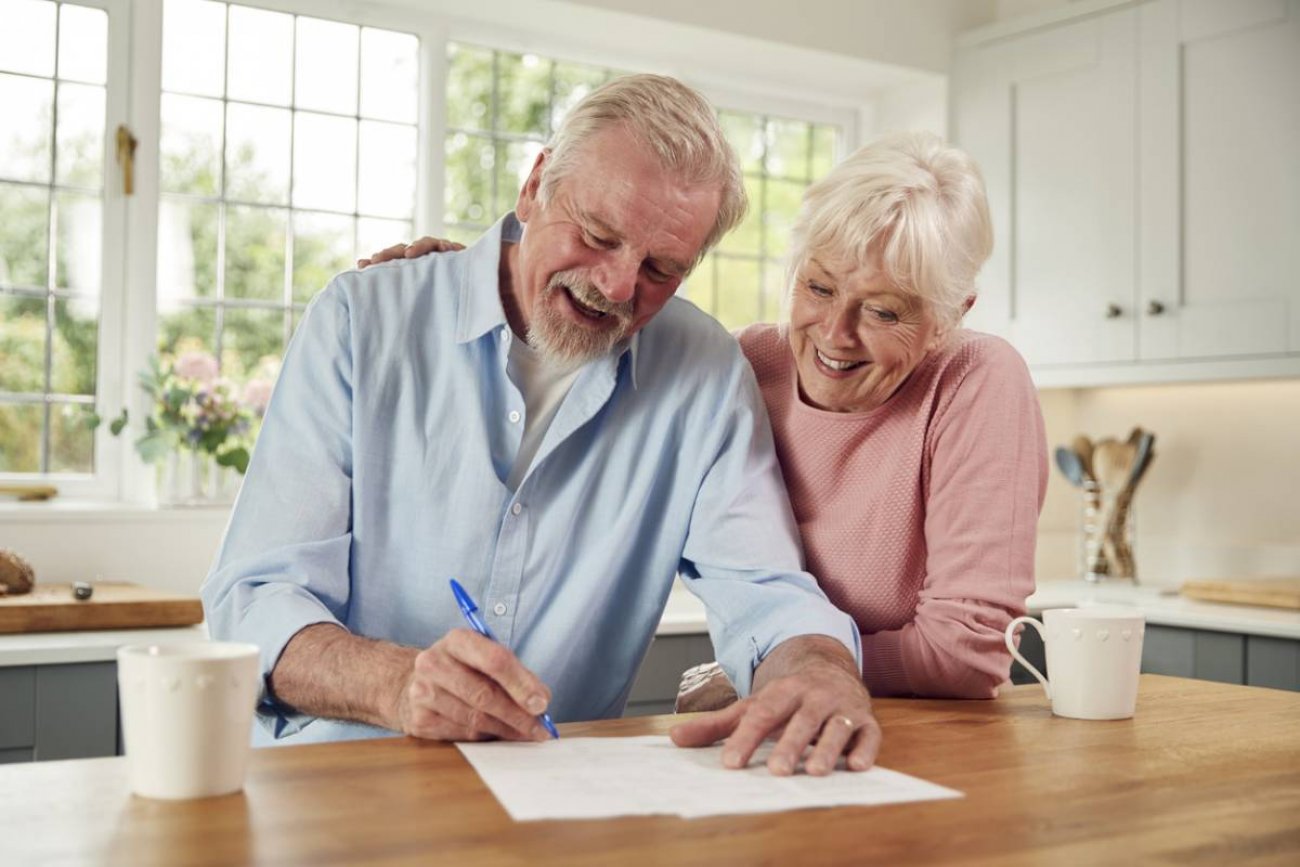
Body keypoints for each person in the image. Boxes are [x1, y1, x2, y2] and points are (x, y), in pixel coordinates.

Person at [202, 74, 880, 779]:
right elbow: (252, 599)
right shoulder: (363, 319)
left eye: (660, 268)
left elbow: (766, 590)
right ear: (534, 186)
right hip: (332, 789)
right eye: (597, 235)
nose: (618, 286)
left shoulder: (705, 372)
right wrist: (394, 682)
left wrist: (821, 669)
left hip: (556, 807)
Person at [370, 132, 1048, 710]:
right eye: (818, 287)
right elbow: (586, 332)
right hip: (785, 715)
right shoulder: (746, 363)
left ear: (952, 315)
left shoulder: (977, 379)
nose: (835, 334)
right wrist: (482, 278)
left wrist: (771, 663)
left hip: (923, 732)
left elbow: (965, 650)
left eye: (885, 312)